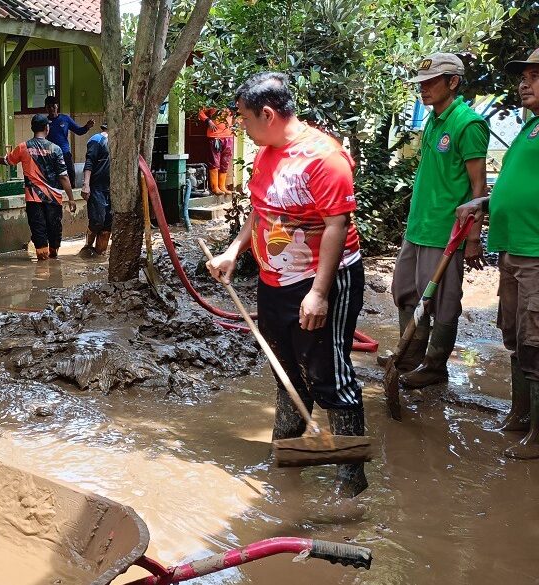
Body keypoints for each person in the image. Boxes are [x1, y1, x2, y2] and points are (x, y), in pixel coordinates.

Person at [206, 72, 368, 498]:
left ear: (268, 114)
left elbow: (337, 225)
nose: (241, 126)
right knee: (287, 373)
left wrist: (318, 292)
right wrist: (233, 251)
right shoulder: (266, 153)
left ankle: (351, 482)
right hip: (273, 280)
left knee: (329, 375)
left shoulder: (324, 158)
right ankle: (288, 459)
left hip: (321, 282)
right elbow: (260, 212)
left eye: (244, 118)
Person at [382, 53, 488, 387]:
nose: (423, 89)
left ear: (453, 82)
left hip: (446, 231)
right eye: (421, 84)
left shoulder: (467, 124)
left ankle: (434, 365)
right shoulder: (434, 119)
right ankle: (409, 355)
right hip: (418, 226)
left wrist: (472, 238)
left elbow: (478, 187)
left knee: (442, 302)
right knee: (405, 290)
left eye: (431, 82)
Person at [456, 47, 539, 459]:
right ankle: (520, 415)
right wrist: (483, 204)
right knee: (515, 337)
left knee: (537, 341)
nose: (525, 83)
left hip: (537, 252)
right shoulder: (530, 127)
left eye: (536, 76)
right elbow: (520, 187)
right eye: (524, 76)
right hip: (511, 248)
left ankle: (537, 436)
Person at [0, 114, 77, 261]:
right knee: (54, 229)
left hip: (33, 198)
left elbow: (6, 161)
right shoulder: (56, 149)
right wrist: (71, 199)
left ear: (32, 128)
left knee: (38, 229)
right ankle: (53, 260)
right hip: (53, 198)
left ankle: (43, 262)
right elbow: (64, 176)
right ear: (47, 128)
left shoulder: (23, 147)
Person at [44, 95, 94, 187]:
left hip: (65, 154)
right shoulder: (44, 121)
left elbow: (79, 131)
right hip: (51, 156)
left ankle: (71, 199)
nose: (51, 109)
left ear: (57, 106)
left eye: (53, 106)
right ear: (46, 108)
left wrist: (87, 127)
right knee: (54, 181)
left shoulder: (65, 119)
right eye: (49, 107)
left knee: (70, 177)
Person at [81, 123, 111, 256]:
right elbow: (89, 162)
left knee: (107, 226)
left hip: (112, 189)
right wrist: (86, 185)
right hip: (97, 187)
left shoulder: (120, 142)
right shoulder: (96, 140)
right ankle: (87, 247)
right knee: (97, 221)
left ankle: (99, 255)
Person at [198, 107, 236, 194]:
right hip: (215, 136)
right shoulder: (212, 100)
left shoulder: (231, 102)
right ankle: (215, 187)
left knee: (225, 162)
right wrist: (208, 121)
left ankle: (222, 186)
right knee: (214, 162)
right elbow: (201, 112)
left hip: (228, 136)